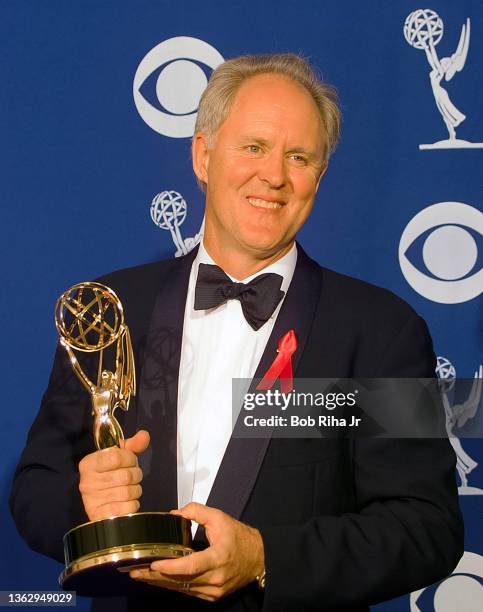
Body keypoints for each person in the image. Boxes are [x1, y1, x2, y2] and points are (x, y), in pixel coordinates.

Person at [10, 53, 463, 612]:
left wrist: (265, 557)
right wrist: (85, 506)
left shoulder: (382, 331)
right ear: (203, 155)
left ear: (318, 177)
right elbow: (34, 485)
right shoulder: (111, 310)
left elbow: (427, 526)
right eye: (253, 147)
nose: (273, 176)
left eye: (299, 157)